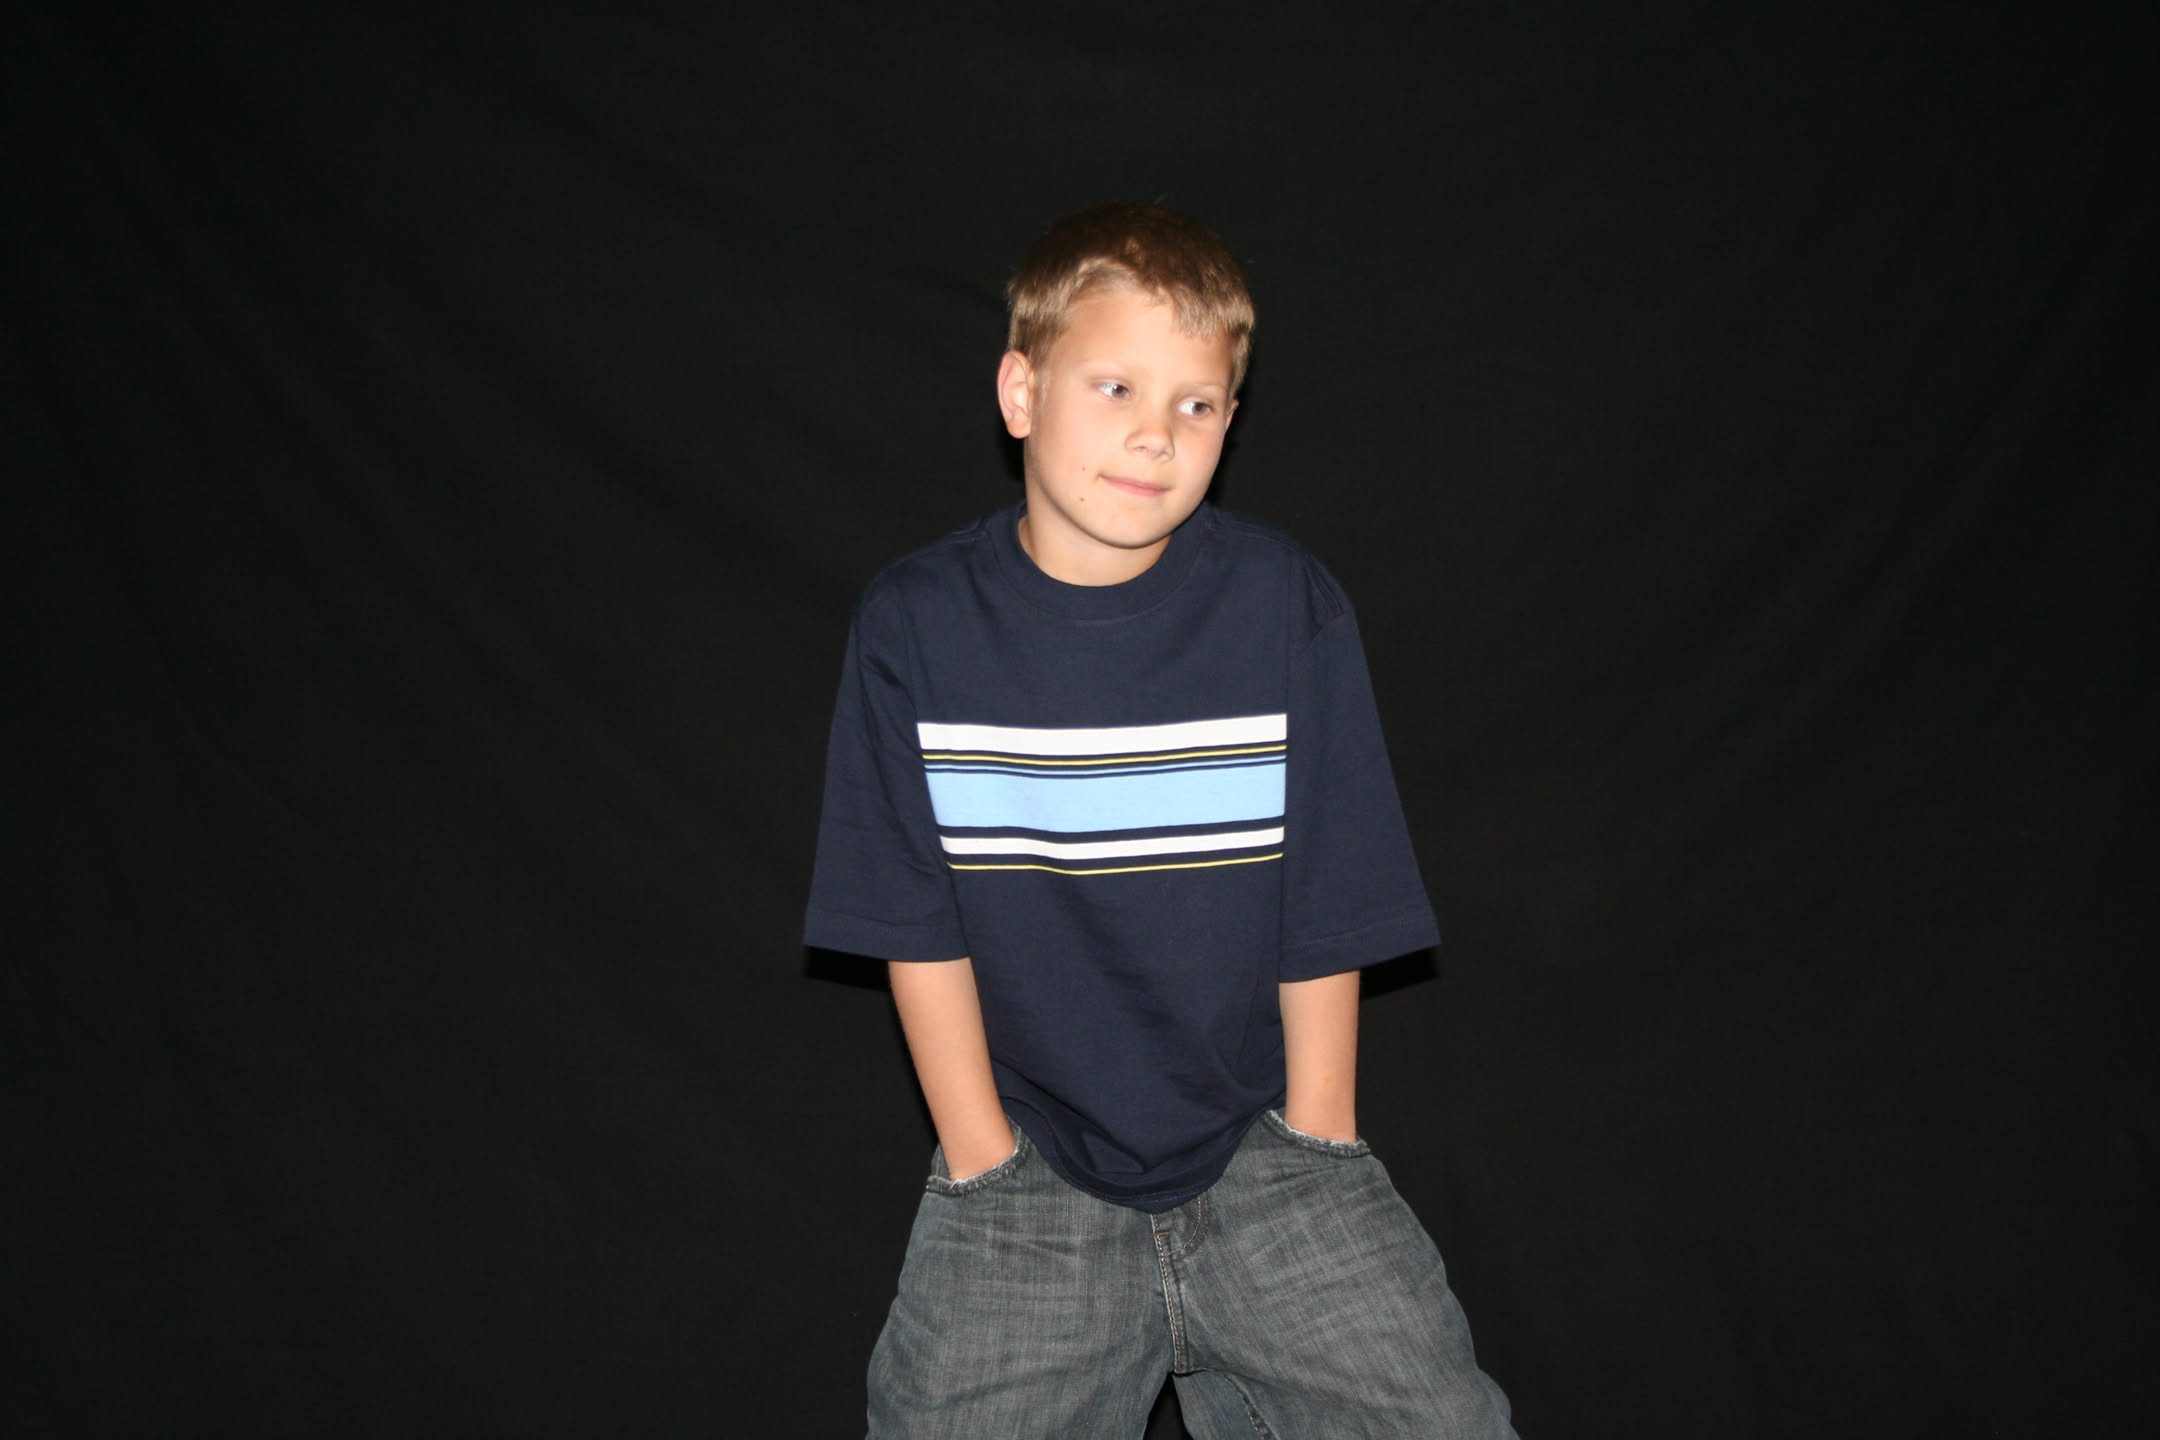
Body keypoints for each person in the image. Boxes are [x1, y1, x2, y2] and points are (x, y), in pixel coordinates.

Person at [805, 201, 1516, 1439]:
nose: (1155, 434)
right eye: (1117, 386)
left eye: (1197, 403)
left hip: (1269, 1151)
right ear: (1020, 392)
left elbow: (1331, 899)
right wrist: (980, 1157)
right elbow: (911, 923)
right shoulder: (915, 625)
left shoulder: (1282, 604)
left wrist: (1320, 1135)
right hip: (1025, 1174)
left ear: (1233, 422)